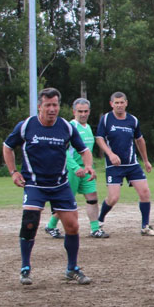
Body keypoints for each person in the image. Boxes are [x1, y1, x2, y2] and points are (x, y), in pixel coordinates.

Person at [2, 87, 94, 286]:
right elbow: (7, 147)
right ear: (39, 106)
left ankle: (72, 268)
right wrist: (13, 172)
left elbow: (84, 150)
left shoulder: (66, 127)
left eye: (55, 105)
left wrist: (88, 165)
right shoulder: (26, 126)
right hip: (34, 184)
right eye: (48, 105)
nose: (52, 109)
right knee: (30, 223)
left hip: (60, 184)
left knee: (72, 226)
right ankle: (25, 268)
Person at [95, 92, 154, 236]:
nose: (119, 105)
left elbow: (139, 140)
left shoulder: (133, 120)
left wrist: (146, 160)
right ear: (111, 104)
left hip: (132, 164)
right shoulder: (106, 119)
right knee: (113, 198)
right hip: (114, 166)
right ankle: (98, 222)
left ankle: (145, 226)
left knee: (145, 193)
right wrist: (110, 154)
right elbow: (99, 138)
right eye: (116, 103)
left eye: (121, 102)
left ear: (126, 103)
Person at [44, 98, 108, 239]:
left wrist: (89, 167)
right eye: (80, 111)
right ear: (74, 112)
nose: (83, 114)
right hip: (71, 170)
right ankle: (51, 225)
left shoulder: (88, 127)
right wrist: (74, 167)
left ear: (89, 111)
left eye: (85, 111)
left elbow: (87, 151)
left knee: (92, 198)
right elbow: (63, 151)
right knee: (66, 201)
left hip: (86, 170)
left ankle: (95, 229)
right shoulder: (69, 127)